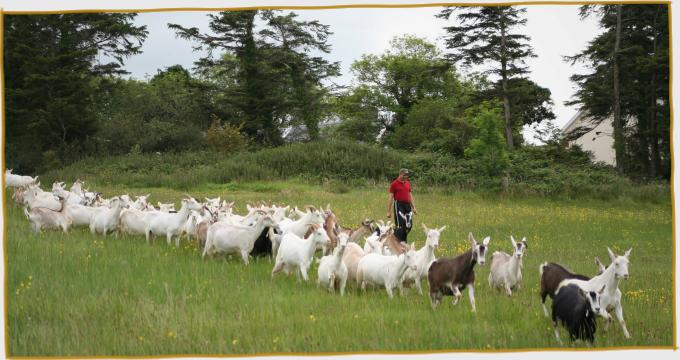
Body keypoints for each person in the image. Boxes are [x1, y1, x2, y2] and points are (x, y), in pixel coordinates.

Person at [386, 168, 417, 243]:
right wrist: (388, 211)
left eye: (406, 175)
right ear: (400, 174)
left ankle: (399, 238)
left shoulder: (407, 183)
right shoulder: (394, 184)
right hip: (398, 205)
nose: (405, 176)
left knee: (409, 225)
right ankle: (400, 242)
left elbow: (410, 195)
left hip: (407, 205)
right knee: (400, 225)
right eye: (404, 175)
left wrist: (414, 207)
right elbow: (390, 198)